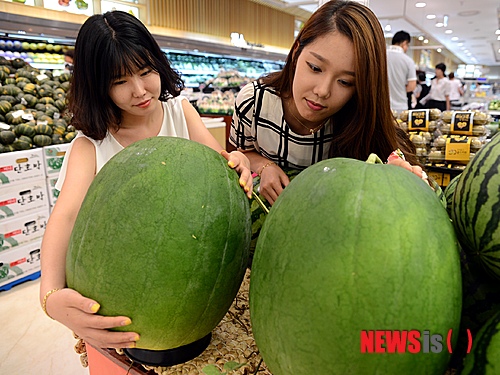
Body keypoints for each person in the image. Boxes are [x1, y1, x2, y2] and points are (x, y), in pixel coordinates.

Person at [39, 10, 253, 351]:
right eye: (119, 81)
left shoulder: (180, 111)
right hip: (120, 303)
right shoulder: (90, 145)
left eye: (145, 71)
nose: (139, 90)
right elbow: (64, 217)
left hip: (189, 287)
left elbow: (219, 167)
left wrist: (237, 163)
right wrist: (49, 295)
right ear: (97, 85)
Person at [230, 0, 427, 207]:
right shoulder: (254, 102)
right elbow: (243, 153)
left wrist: (400, 178)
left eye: (345, 82)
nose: (323, 91)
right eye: (315, 68)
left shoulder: (360, 119)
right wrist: (264, 165)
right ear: (296, 51)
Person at [386, 30, 417, 113]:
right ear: (404, 43)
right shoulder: (408, 61)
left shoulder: (380, 56)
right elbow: (412, 86)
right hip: (400, 106)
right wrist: (400, 89)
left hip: (380, 104)